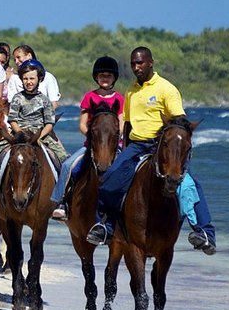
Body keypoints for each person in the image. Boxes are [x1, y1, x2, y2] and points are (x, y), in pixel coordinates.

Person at [85, 46, 216, 255]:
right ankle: (104, 227)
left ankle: (205, 233)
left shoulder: (166, 89)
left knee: (190, 184)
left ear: (150, 62)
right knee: (110, 179)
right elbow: (126, 125)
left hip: (161, 146)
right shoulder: (131, 91)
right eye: (133, 64)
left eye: (140, 63)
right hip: (136, 145)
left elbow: (179, 122)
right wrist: (124, 151)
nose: (136, 67)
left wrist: (173, 150)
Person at [0, 59, 69, 211]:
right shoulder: (17, 98)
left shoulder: (44, 100)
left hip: (40, 135)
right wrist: (19, 133)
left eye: (32, 78)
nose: (29, 82)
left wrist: (39, 137)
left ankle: (63, 197)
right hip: (19, 135)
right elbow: (12, 119)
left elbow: (49, 123)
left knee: (64, 159)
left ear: (39, 79)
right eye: (25, 78)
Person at [50, 56, 125, 220]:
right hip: (92, 144)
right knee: (69, 165)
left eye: (109, 76)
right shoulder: (89, 97)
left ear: (114, 78)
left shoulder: (119, 98)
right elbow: (83, 125)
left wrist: (111, 139)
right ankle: (61, 202)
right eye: (102, 75)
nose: (105, 79)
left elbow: (121, 125)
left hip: (113, 145)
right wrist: (95, 138)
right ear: (96, 77)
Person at [7, 45, 61, 109]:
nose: (16, 62)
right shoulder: (14, 79)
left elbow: (54, 103)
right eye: (14, 59)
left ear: (29, 56)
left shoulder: (48, 77)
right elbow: (12, 104)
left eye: (18, 57)